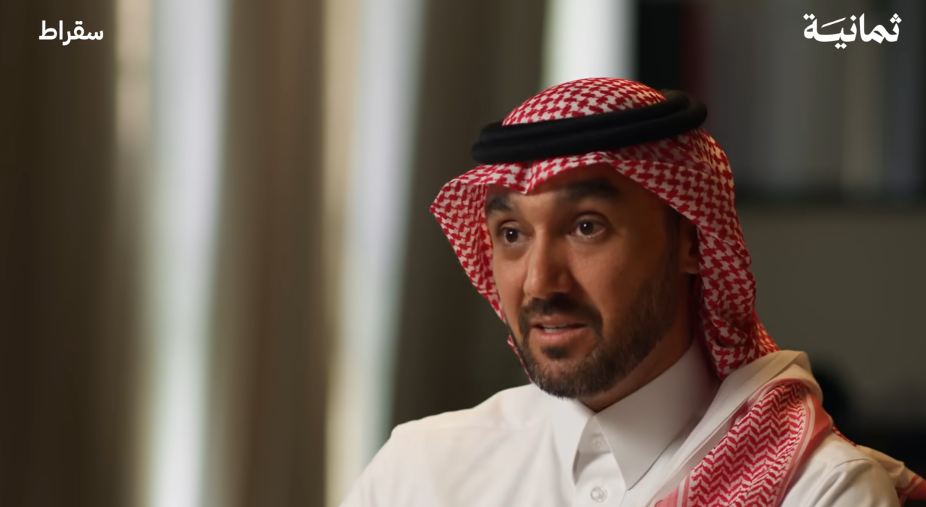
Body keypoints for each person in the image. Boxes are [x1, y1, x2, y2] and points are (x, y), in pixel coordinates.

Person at [340, 78, 925, 506]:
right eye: (512, 234)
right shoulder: (420, 472)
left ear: (691, 240)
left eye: (586, 227)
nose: (540, 281)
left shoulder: (817, 491)